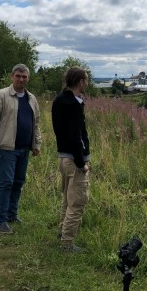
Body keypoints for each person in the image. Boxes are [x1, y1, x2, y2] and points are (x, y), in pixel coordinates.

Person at [0, 64, 42, 234]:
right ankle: (0, 220)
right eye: (18, 76)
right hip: (6, 148)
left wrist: (36, 144)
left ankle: (11, 214)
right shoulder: (1, 95)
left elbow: (36, 124)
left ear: (28, 78)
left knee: (18, 182)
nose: (21, 79)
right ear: (12, 76)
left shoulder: (31, 99)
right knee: (6, 182)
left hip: (24, 148)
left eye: (24, 76)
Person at [52, 67, 90, 252]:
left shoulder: (59, 100)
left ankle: (62, 231)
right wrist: (81, 163)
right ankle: (67, 243)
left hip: (63, 157)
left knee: (67, 199)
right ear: (81, 81)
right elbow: (76, 137)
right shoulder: (73, 105)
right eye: (86, 80)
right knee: (77, 202)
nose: (87, 83)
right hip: (74, 160)